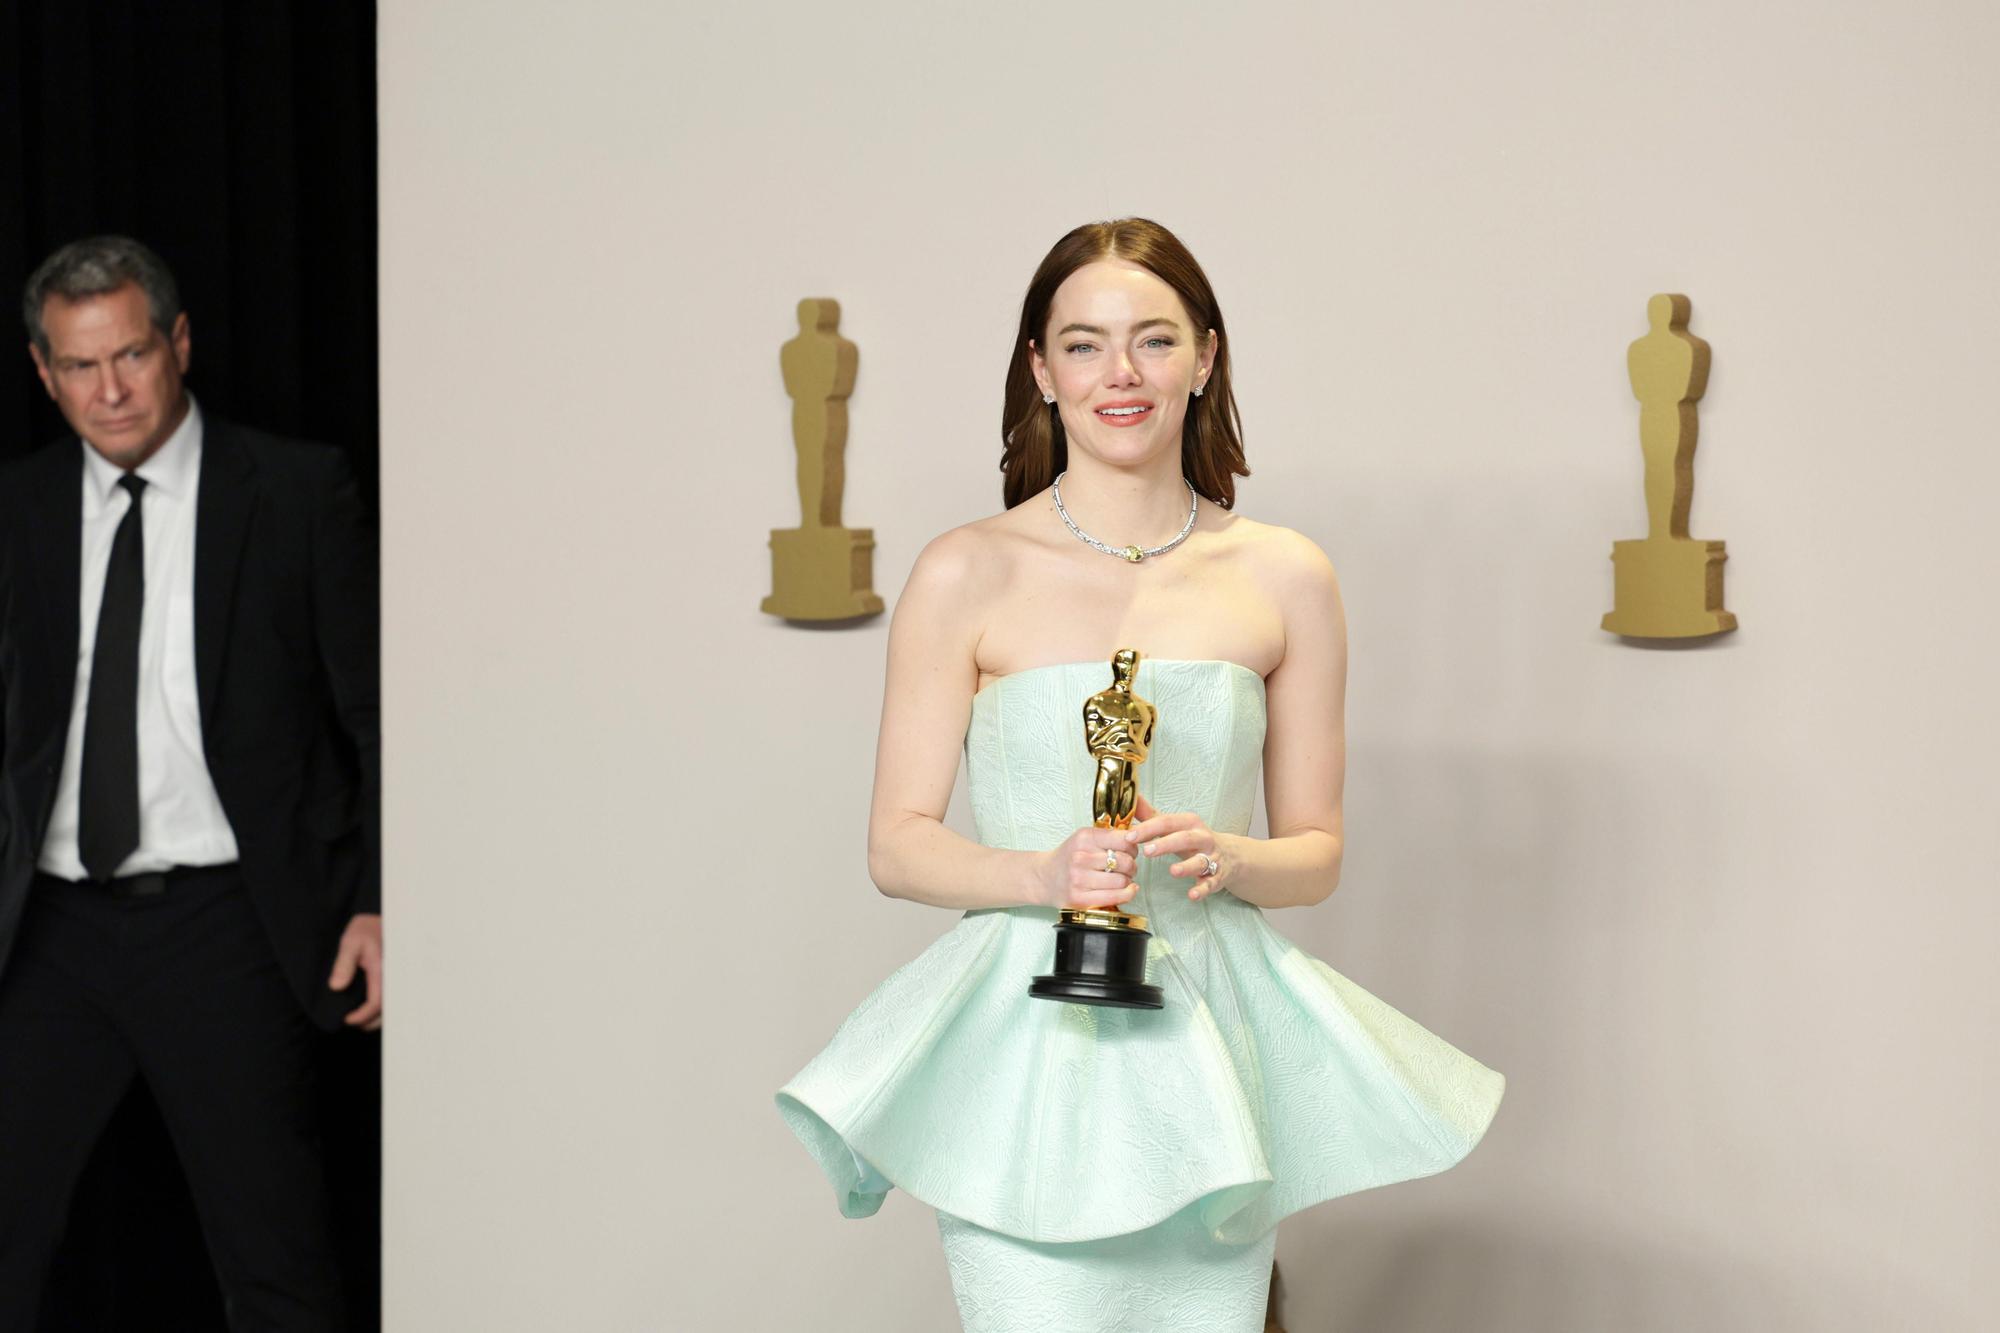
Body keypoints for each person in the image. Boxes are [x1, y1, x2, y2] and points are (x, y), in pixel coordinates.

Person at [776, 218, 1505, 1331]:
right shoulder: (963, 569)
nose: (1119, 374)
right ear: (1039, 368)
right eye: (1082, 344)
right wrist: (1042, 871)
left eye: (1152, 341)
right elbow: (898, 841)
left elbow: (1315, 853)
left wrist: (1232, 852)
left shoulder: (1284, 574)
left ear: (1205, 357)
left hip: (1206, 1034)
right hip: (1025, 1046)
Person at [0, 235, 379, 1331]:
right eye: (78, 366)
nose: (109, 390)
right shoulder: (18, 509)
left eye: (130, 355)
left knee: (277, 1260)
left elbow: (374, 712)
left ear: (178, 343)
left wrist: (379, 898)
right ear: (42, 372)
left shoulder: (300, 489)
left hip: (227, 925)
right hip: (47, 930)